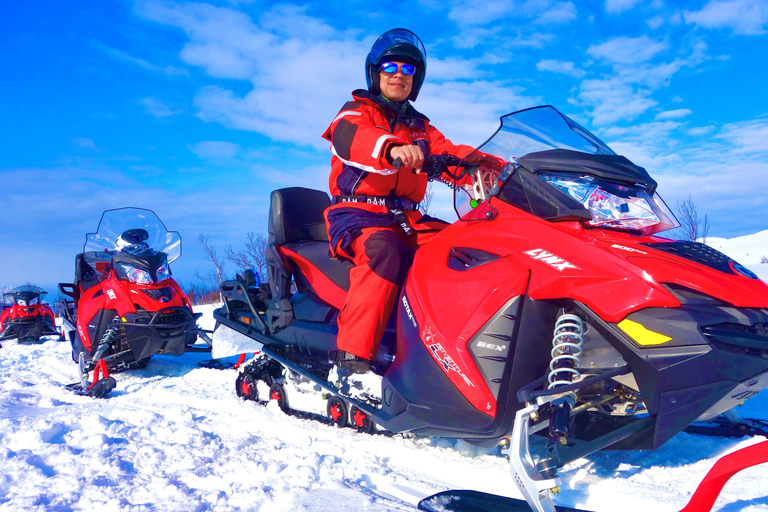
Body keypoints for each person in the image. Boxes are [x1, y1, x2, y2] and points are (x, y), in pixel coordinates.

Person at [322, 28, 480, 374]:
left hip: (407, 217)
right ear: (376, 72)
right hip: (357, 214)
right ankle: (353, 358)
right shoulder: (356, 112)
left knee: (466, 246)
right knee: (383, 250)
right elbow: (354, 139)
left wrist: (493, 168)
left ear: (416, 80)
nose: (399, 75)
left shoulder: (420, 127)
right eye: (391, 67)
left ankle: (453, 351)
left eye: (408, 70)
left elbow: (450, 153)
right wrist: (391, 148)